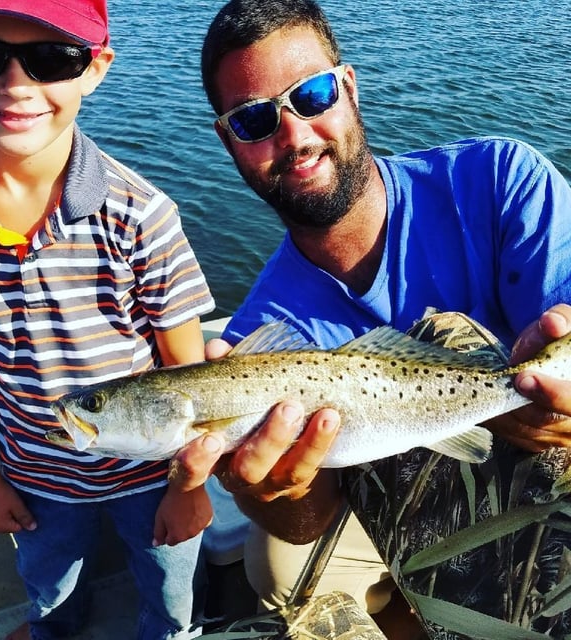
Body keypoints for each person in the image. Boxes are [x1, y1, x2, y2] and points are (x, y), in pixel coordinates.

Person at [168, 0, 571, 637]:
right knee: (275, 565)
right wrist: (275, 490)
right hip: (397, 496)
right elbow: (307, 522)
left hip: (546, 486)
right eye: (253, 119)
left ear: (349, 88)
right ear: (229, 141)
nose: (294, 135)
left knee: (450, 337)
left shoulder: (502, 181)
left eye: (313, 94)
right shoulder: (259, 336)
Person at [0, 1, 215, 639]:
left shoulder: (142, 214)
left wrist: (188, 484)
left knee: (171, 601)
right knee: (50, 592)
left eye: (51, 59)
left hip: (152, 474)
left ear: (95, 69)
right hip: (32, 476)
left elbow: (190, 380)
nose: (16, 84)